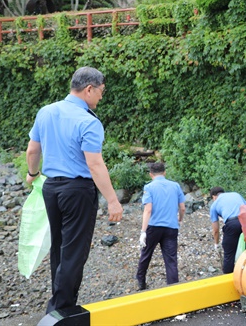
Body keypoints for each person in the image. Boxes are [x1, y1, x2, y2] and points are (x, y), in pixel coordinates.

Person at [25, 66, 123, 314]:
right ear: (89, 89)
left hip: (51, 188)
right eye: (101, 91)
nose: (101, 97)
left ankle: (57, 305)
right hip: (77, 190)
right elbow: (94, 164)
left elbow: (32, 151)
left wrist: (33, 174)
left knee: (59, 247)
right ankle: (61, 310)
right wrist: (112, 201)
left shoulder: (46, 112)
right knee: (74, 252)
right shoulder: (88, 121)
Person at [136, 162, 186, 289]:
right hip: (171, 226)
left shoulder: (149, 187)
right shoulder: (175, 186)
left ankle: (141, 282)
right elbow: (183, 208)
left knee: (146, 254)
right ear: (164, 172)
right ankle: (173, 286)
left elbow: (148, 210)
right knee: (171, 259)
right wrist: (180, 220)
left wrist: (143, 232)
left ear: (150, 174)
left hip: (154, 226)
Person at [209, 187, 246, 274]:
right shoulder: (236, 194)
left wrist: (216, 244)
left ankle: (228, 277)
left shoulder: (214, 205)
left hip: (232, 224)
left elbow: (215, 230)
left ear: (214, 197)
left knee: (229, 253)